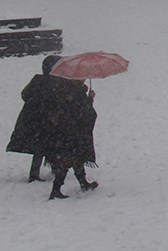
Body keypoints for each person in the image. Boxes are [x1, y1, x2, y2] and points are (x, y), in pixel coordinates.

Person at [6, 55, 99, 199]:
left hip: (42, 119)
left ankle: (47, 175)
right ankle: (60, 183)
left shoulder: (39, 81)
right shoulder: (62, 85)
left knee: (47, 148)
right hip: (58, 124)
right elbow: (76, 107)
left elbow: (25, 94)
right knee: (66, 154)